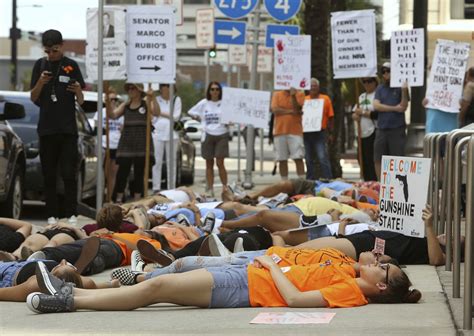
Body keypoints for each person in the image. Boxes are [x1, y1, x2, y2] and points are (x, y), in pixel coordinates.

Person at [27, 245, 420, 313]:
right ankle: (77, 291)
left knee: (156, 289)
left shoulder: (353, 292)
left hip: (247, 287)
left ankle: (70, 299)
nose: (379, 262)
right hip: (246, 273)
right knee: (170, 275)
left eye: (384, 267)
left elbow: (298, 301)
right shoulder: (350, 274)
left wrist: (271, 269)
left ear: (382, 284)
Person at [30, 29, 85, 221]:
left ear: (61, 46)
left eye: (54, 50)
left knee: (69, 173)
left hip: (68, 129)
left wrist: (78, 89)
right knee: (49, 174)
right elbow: (33, 97)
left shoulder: (71, 65)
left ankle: (71, 212)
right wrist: (40, 82)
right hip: (47, 129)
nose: (51, 55)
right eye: (47, 51)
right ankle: (51, 214)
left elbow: (81, 100)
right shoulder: (40, 65)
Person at [294, 205, 449, 266]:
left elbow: (436, 260)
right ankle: (273, 258)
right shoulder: (426, 240)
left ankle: (272, 261)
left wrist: (429, 227)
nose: (447, 235)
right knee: (299, 251)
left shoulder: (438, 250)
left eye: (453, 239)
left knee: (300, 254)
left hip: (366, 246)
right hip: (363, 238)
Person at [108, 83, 160, 203]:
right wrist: (108, 102)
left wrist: (153, 97)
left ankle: (137, 199)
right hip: (127, 143)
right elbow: (113, 115)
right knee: (122, 172)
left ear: (139, 91)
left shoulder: (145, 103)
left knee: (139, 173)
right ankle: (119, 199)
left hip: (142, 143)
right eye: (129, 89)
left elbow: (156, 112)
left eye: (133, 88)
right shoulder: (125, 105)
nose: (130, 91)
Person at [188, 82, 229, 197]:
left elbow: (232, 117)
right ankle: (210, 189)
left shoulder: (224, 103)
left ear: (220, 91)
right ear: (209, 91)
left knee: (220, 162)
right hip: (208, 134)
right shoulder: (204, 103)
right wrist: (197, 118)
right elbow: (191, 111)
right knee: (209, 163)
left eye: (217, 89)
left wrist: (230, 121)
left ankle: (225, 188)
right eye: (212, 89)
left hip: (222, 134)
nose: (215, 92)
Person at [373, 62, 409, 179]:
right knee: (378, 157)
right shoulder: (380, 88)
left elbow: (403, 106)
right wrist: (394, 108)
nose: (386, 74)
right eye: (383, 71)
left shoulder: (400, 88)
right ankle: (380, 182)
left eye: (388, 71)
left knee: (397, 158)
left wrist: (404, 90)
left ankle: (397, 182)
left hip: (397, 129)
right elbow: (376, 106)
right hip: (381, 128)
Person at [151, 84, 182, 193]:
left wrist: (159, 113)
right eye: (164, 85)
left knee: (171, 161)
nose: (166, 88)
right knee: (156, 161)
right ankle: (156, 187)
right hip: (157, 133)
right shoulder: (156, 99)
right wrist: (166, 114)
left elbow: (176, 116)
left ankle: (171, 188)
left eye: (168, 86)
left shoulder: (176, 100)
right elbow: (152, 114)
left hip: (172, 134)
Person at [270, 88, 306, 180]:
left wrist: (293, 95)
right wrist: (290, 112)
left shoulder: (300, 94)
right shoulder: (277, 94)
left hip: (296, 131)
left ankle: (302, 181)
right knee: (282, 159)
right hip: (279, 131)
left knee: (298, 157)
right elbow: (275, 109)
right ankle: (284, 182)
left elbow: (298, 109)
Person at [94, 88, 124, 200]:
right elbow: (96, 129)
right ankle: (100, 197)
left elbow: (123, 129)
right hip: (103, 146)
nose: (112, 101)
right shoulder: (99, 113)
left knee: (113, 175)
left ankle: (109, 198)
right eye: (110, 99)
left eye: (114, 99)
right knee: (103, 174)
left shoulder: (120, 113)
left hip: (116, 146)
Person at [302, 78, 334, 180]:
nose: (313, 88)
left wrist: (331, 133)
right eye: (311, 86)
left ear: (318, 87)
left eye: (315, 86)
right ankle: (310, 179)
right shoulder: (304, 100)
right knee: (308, 158)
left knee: (322, 157)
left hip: (320, 132)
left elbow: (331, 117)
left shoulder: (325, 99)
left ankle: (328, 179)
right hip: (306, 133)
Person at [352, 77, 378, 181]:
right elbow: (354, 112)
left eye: (369, 81)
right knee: (361, 158)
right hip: (361, 133)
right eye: (364, 82)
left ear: (375, 82)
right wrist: (355, 116)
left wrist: (362, 113)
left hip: (372, 131)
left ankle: (373, 180)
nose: (367, 84)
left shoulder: (377, 96)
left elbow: (377, 114)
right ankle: (366, 180)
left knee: (370, 159)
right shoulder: (362, 96)